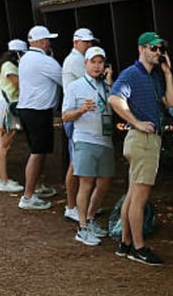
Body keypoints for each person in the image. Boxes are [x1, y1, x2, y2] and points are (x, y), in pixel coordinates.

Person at [108, 31, 173, 266]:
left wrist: (167, 73)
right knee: (140, 197)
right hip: (142, 140)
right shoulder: (132, 73)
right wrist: (136, 122)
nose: (158, 52)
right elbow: (114, 99)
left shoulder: (154, 76)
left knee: (132, 193)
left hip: (145, 140)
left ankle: (126, 243)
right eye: (153, 48)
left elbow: (172, 102)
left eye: (160, 49)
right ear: (141, 49)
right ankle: (139, 248)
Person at [62, 46, 115, 246]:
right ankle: (82, 227)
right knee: (86, 182)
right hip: (85, 139)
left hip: (105, 140)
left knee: (104, 182)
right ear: (85, 63)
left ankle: (91, 218)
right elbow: (65, 115)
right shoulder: (75, 86)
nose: (97, 66)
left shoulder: (107, 87)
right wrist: (81, 110)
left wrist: (110, 82)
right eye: (93, 62)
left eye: (101, 62)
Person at [16, 25, 63, 210]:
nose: (49, 43)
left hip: (27, 108)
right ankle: (28, 196)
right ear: (42, 42)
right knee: (37, 152)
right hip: (39, 110)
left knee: (37, 151)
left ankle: (35, 186)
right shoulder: (45, 61)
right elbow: (64, 79)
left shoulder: (25, 58)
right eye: (48, 40)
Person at [62, 28, 99, 222]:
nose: (89, 45)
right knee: (76, 163)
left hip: (82, 115)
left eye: (91, 42)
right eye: (86, 42)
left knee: (79, 163)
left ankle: (79, 205)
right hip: (76, 116)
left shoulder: (78, 59)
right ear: (76, 43)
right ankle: (71, 206)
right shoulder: (76, 61)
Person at [0, 39, 27, 193]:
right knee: (3, 145)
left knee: (1, 145)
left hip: (4, 106)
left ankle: (0, 178)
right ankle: (4, 180)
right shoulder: (9, 66)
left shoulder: (5, 65)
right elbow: (18, 83)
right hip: (7, 108)